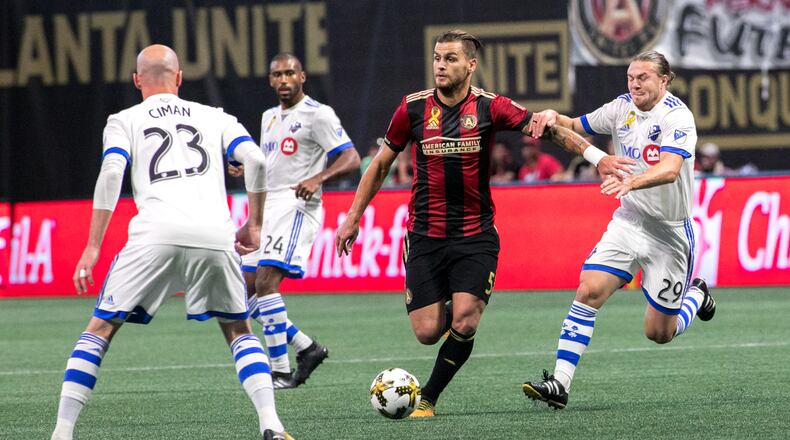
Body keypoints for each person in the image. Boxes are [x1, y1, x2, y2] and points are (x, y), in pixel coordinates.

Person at [334, 29, 632, 418]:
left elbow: (550, 130)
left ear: (471, 65)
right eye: (438, 58)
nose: (441, 65)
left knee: (466, 319)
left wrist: (596, 157)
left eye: (451, 58)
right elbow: (381, 164)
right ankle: (450, 305)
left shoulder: (492, 107)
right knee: (427, 332)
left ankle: (428, 397)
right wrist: (352, 217)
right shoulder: (412, 109)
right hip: (424, 235)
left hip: (476, 237)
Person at [50, 45, 293, 440]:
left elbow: (112, 173)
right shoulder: (215, 117)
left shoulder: (122, 119)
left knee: (100, 328)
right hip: (214, 235)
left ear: (136, 80)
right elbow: (258, 162)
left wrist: (93, 246)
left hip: (155, 234)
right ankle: (272, 424)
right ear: (179, 78)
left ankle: (62, 432)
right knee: (239, 330)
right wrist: (255, 225)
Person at [522, 50, 717, 410]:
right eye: (630, 77)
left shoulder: (678, 116)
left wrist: (633, 182)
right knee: (588, 290)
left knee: (659, 333)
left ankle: (697, 296)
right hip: (628, 222)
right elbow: (574, 125)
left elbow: (671, 169)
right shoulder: (620, 108)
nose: (635, 83)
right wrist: (552, 116)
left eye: (643, 77)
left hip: (670, 234)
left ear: (664, 79)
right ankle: (560, 383)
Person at [230, 53, 360, 389]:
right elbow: (274, 162)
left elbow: (351, 157)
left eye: (290, 73)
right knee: (240, 292)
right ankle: (307, 347)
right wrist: (247, 168)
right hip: (267, 206)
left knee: (265, 283)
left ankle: (281, 371)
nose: (284, 80)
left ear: (302, 76)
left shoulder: (318, 114)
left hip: (298, 207)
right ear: (270, 80)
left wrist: (319, 178)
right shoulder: (269, 116)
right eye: (277, 75)